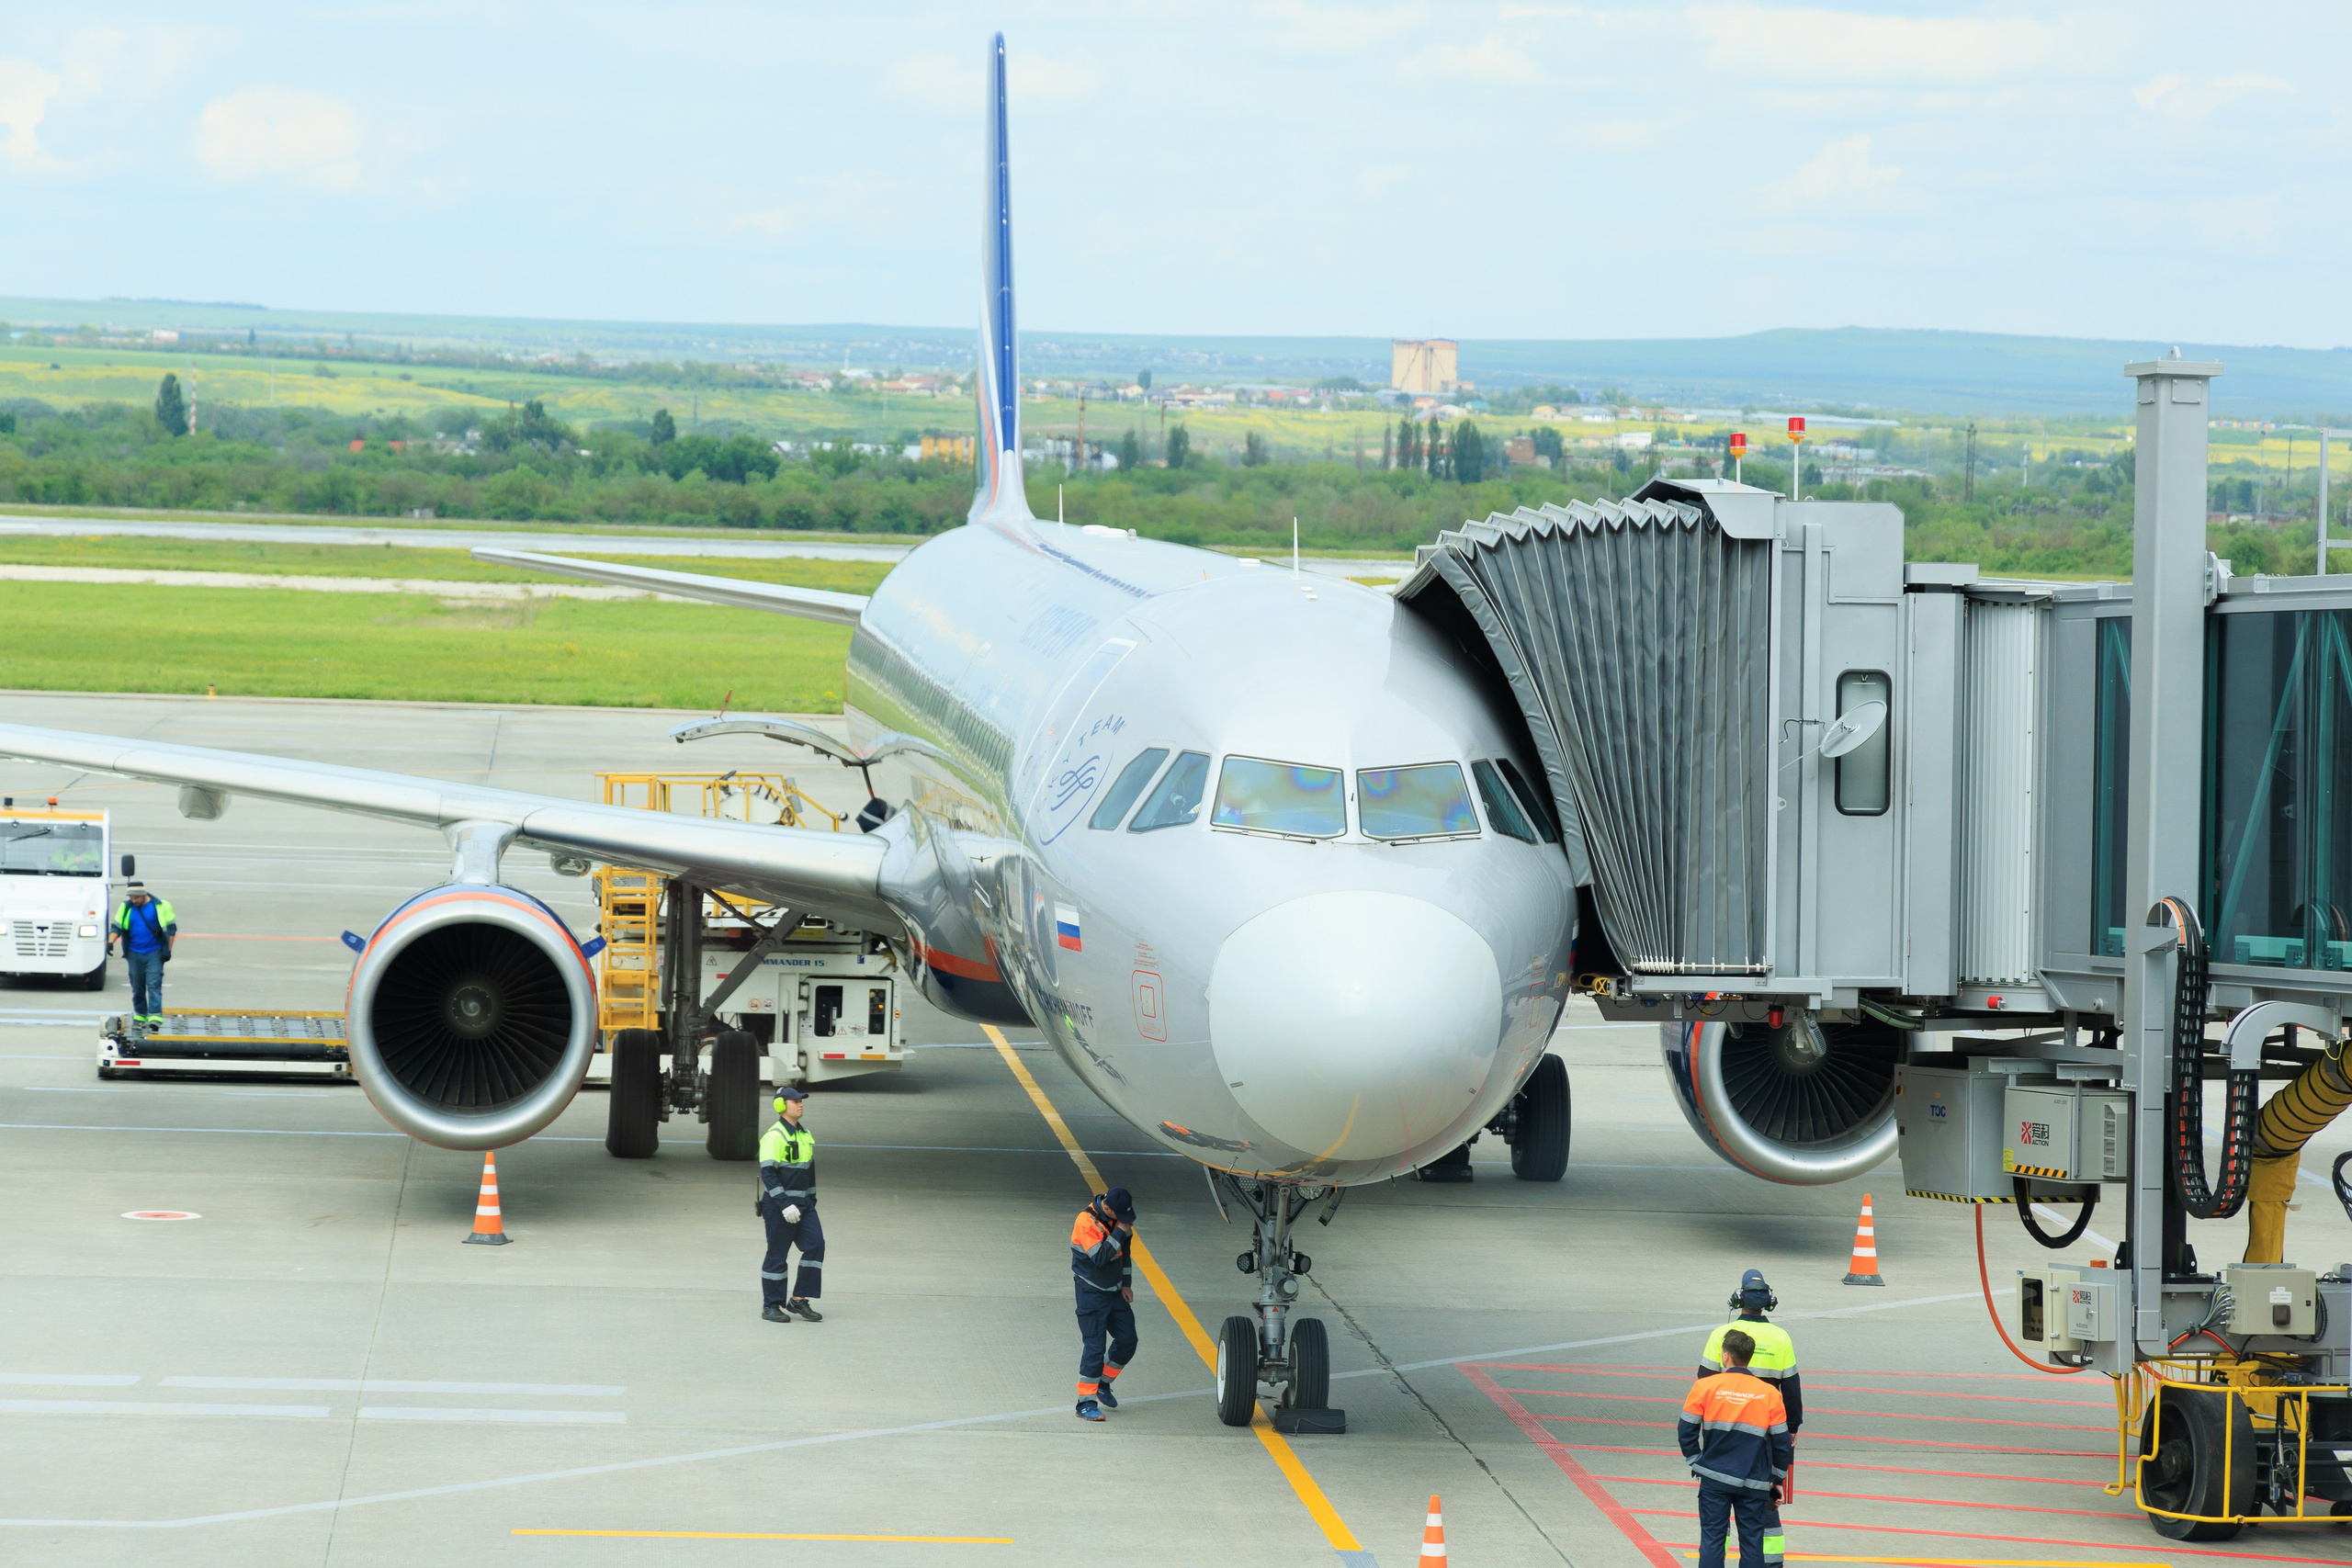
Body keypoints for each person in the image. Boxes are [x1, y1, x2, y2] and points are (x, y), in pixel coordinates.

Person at [1679, 1327, 1792, 1568]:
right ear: (1749, 1357)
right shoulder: (1769, 1394)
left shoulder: (1705, 1387)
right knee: (1752, 1542)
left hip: (1714, 1477)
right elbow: (1782, 1443)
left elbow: (1686, 1429)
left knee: (1712, 1540)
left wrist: (1695, 1460)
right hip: (1755, 1481)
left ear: (1726, 1356)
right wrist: (1778, 1478)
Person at [1700, 1269, 1804, 1431]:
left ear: (1739, 1299)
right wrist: (1792, 1427)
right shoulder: (1781, 1337)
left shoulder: (1720, 1335)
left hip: (1723, 1422)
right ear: (1769, 1301)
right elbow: (1792, 1390)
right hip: (1764, 1423)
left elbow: (1704, 1382)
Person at [756, 1086, 823, 1323]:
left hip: (804, 1206)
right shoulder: (774, 1136)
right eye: (795, 1101)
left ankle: (798, 1299)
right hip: (778, 1207)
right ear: (781, 1105)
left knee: (816, 1245)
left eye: (801, 1100)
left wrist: (811, 1200)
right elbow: (769, 1174)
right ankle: (771, 1306)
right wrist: (784, 1204)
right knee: (777, 1255)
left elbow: (809, 1171)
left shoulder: (804, 1135)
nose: (800, 1104)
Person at [1069, 1186, 1137, 1422]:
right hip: (1092, 1293)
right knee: (1095, 1347)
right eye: (1121, 1217)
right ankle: (1085, 1403)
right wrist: (1119, 1231)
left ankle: (1103, 1383)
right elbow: (1099, 1257)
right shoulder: (1086, 1222)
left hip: (1115, 1292)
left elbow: (1125, 1255)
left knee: (1128, 1340)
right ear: (1108, 1208)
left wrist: (1126, 1284)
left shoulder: (1120, 1222)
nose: (1126, 1222)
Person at [108, 882, 176, 1031]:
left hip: (154, 953)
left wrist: (168, 951)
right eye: (131, 898)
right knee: (137, 986)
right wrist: (110, 942)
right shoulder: (126, 907)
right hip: (134, 954)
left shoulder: (160, 906)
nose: (133, 901)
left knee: (153, 984)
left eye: (136, 898)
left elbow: (171, 930)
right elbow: (116, 926)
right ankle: (140, 1015)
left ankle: (155, 1017)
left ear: (143, 895)